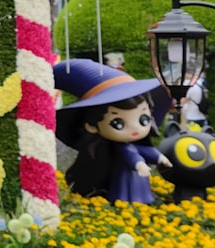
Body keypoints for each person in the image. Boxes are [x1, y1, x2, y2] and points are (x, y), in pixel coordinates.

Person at [54, 58, 172, 204]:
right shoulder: (121, 149)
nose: (135, 128)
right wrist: (139, 164)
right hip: (123, 185)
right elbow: (130, 155)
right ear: (91, 126)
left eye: (143, 119)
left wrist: (160, 158)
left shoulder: (132, 145)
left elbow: (146, 151)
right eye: (118, 123)